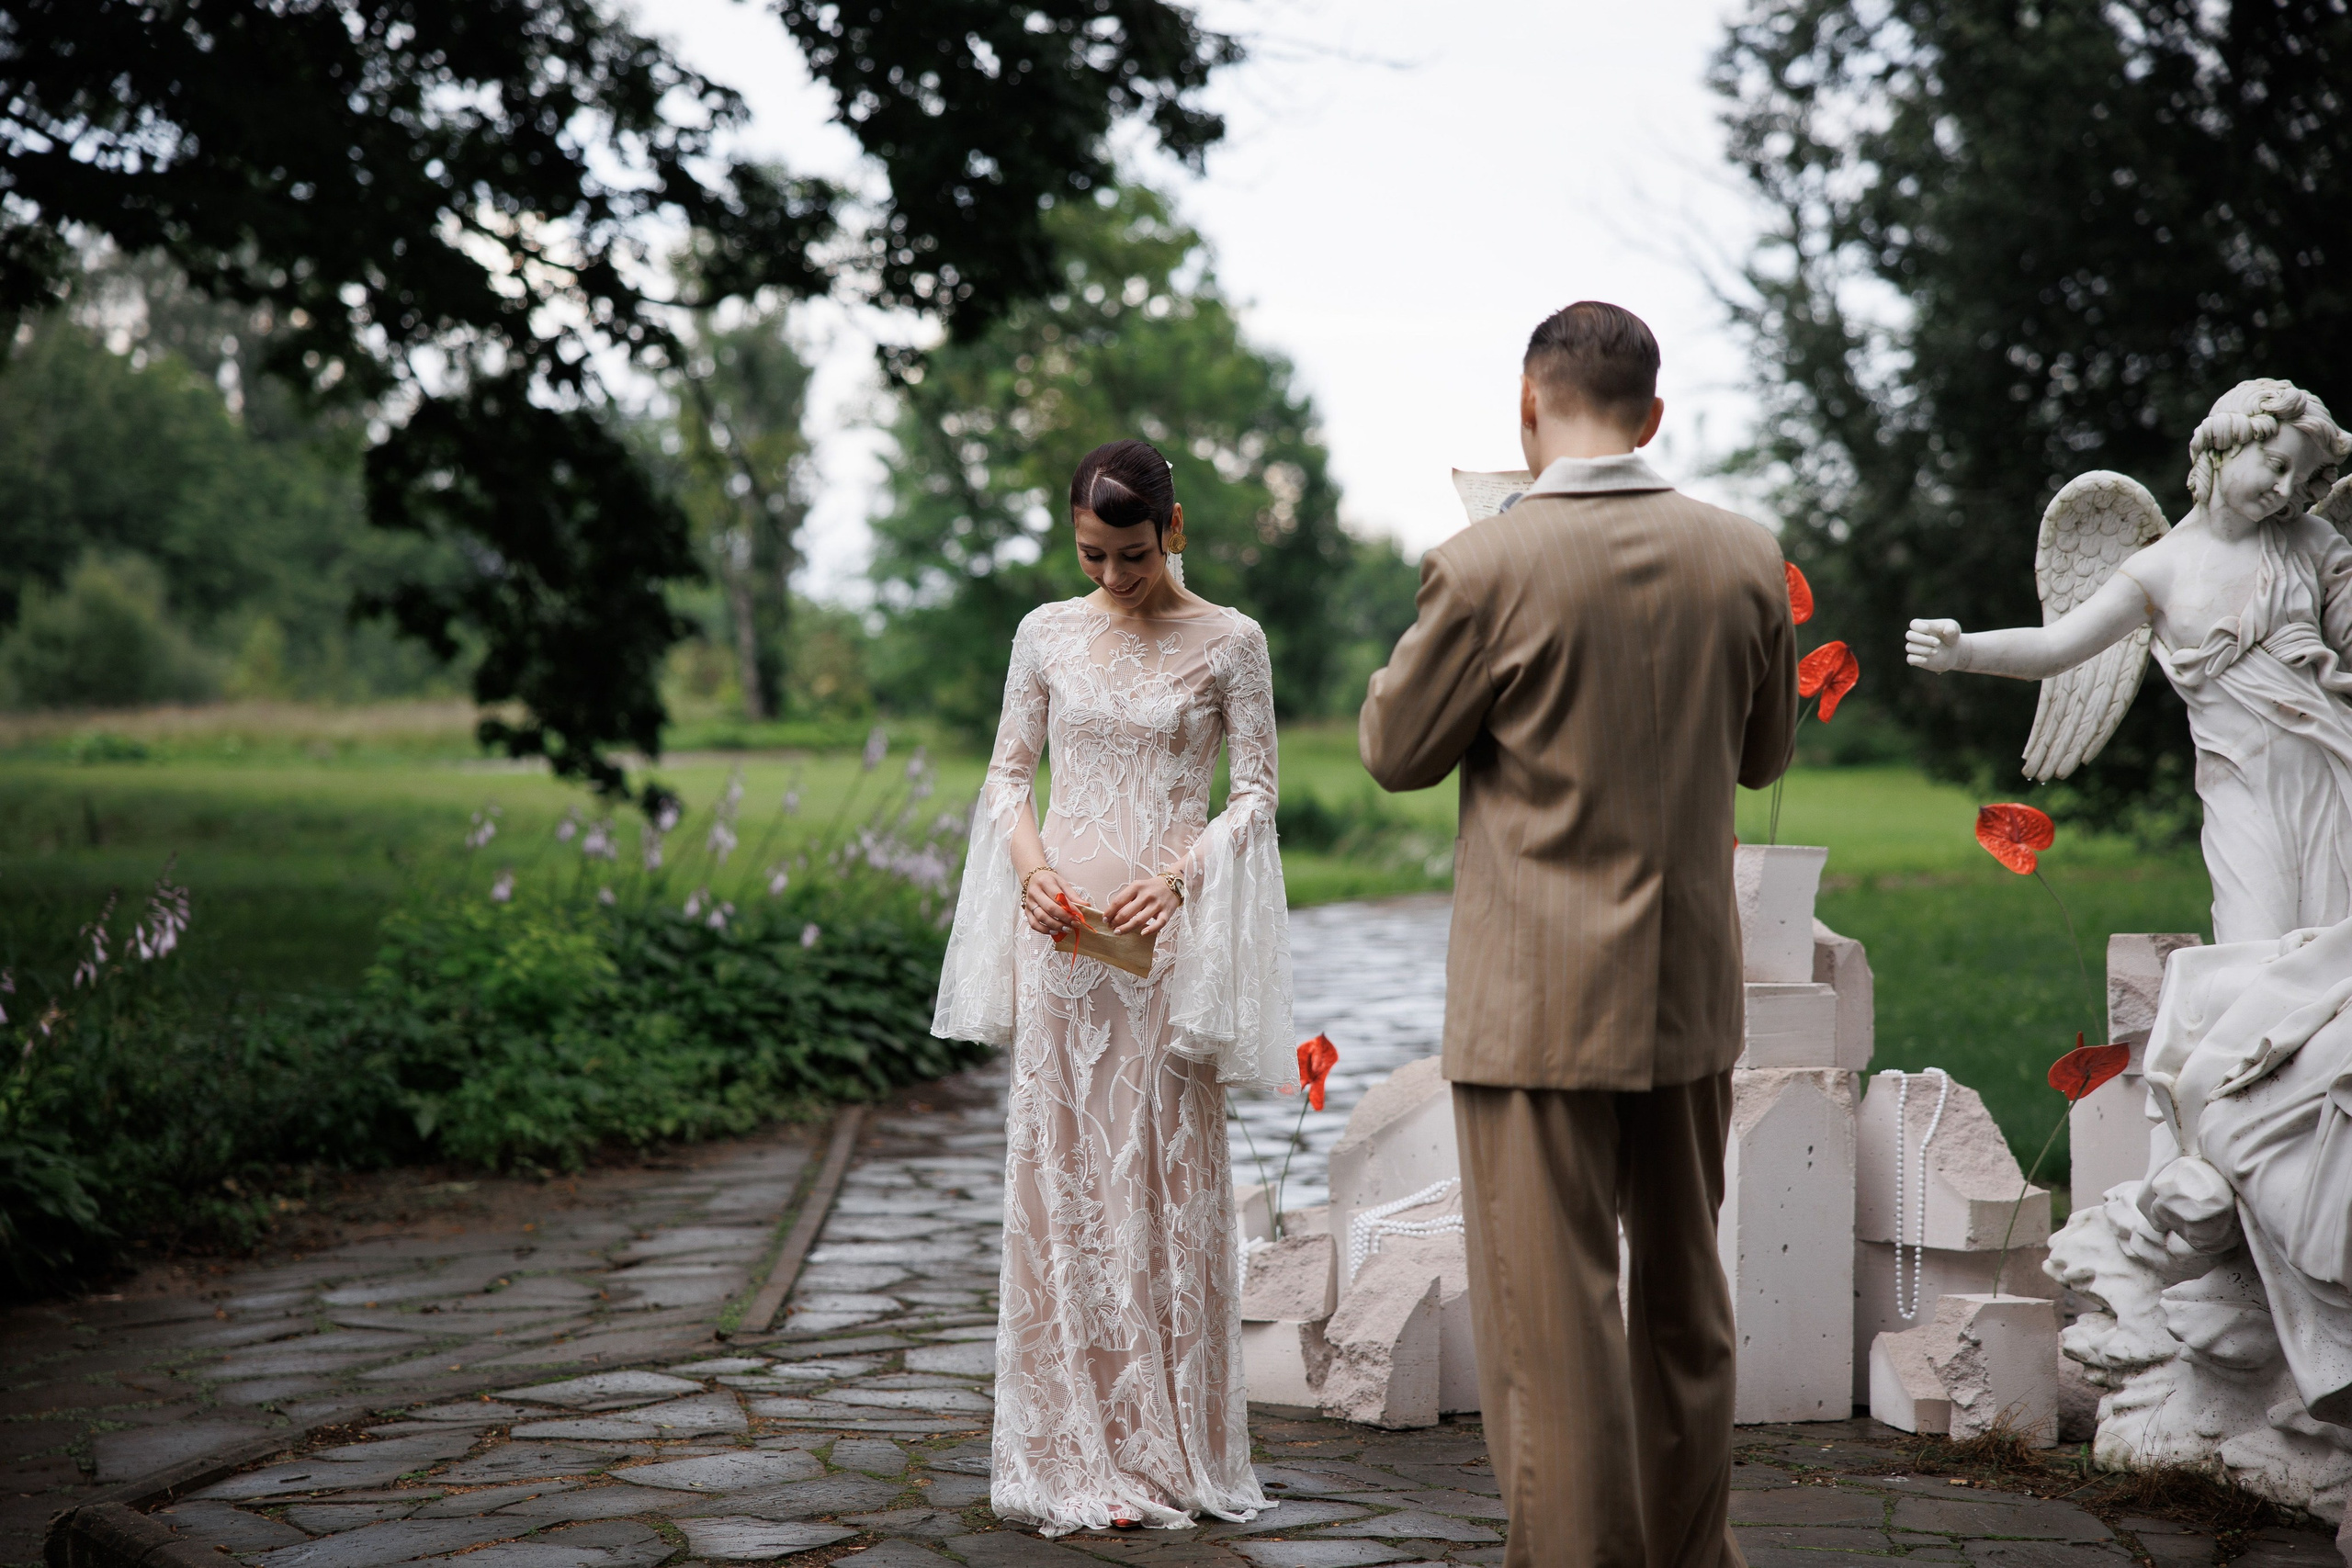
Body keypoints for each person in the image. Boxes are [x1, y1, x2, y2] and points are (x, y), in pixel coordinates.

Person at [1360, 302, 1796, 1568]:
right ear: (1653, 415)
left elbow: (1395, 748)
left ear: (1526, 405)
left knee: (1549, 1334)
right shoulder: (1745, 557)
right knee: (1685, 1306)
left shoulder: (1483, 566)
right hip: (1686, 994)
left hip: (1534, 1007)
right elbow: (1765, 752)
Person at [932, 438, 1290, 1537]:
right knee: (1067, 1187)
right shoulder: (1045, 632)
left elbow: (1256, 794)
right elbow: (1006, 775)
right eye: (1092, 554)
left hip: (1162, 953)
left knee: (1158, 1185)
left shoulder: (1231, 642)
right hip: (1062, 949)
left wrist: (1183, 879)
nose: (1114, 576)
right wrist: (1031, 873)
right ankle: (1066, 1449)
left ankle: (1163, 1445)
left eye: (1132, 554)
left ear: (1171, 530)